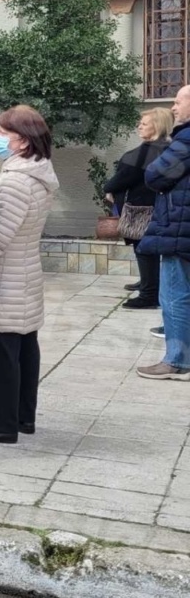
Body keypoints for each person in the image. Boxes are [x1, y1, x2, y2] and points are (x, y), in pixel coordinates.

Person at [0, 106, 59, 443]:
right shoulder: (36, 173)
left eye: (3, 133)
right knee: (22, 347)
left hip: (5, 280)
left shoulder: (16, 183)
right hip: (23, 273)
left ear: (23, 141)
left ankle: (2, 424)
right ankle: (22, 418)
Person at [137, 85, 190, 381]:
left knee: (175, 295)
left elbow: (155, 175)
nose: (173, 107)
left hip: (180, 229)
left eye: (179, 101)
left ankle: (177, 361)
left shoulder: (186, 140)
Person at [105, 108, 174, 309]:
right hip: (157, 207)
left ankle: (149, 294)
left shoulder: (147, 151)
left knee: (144, 249)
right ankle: (148, 282)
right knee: (148, 250)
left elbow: (125, 176)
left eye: (143, 124)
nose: (139, 127)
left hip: (143, 209)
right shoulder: (168, 148)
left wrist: (108, 188)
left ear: (157, 126)